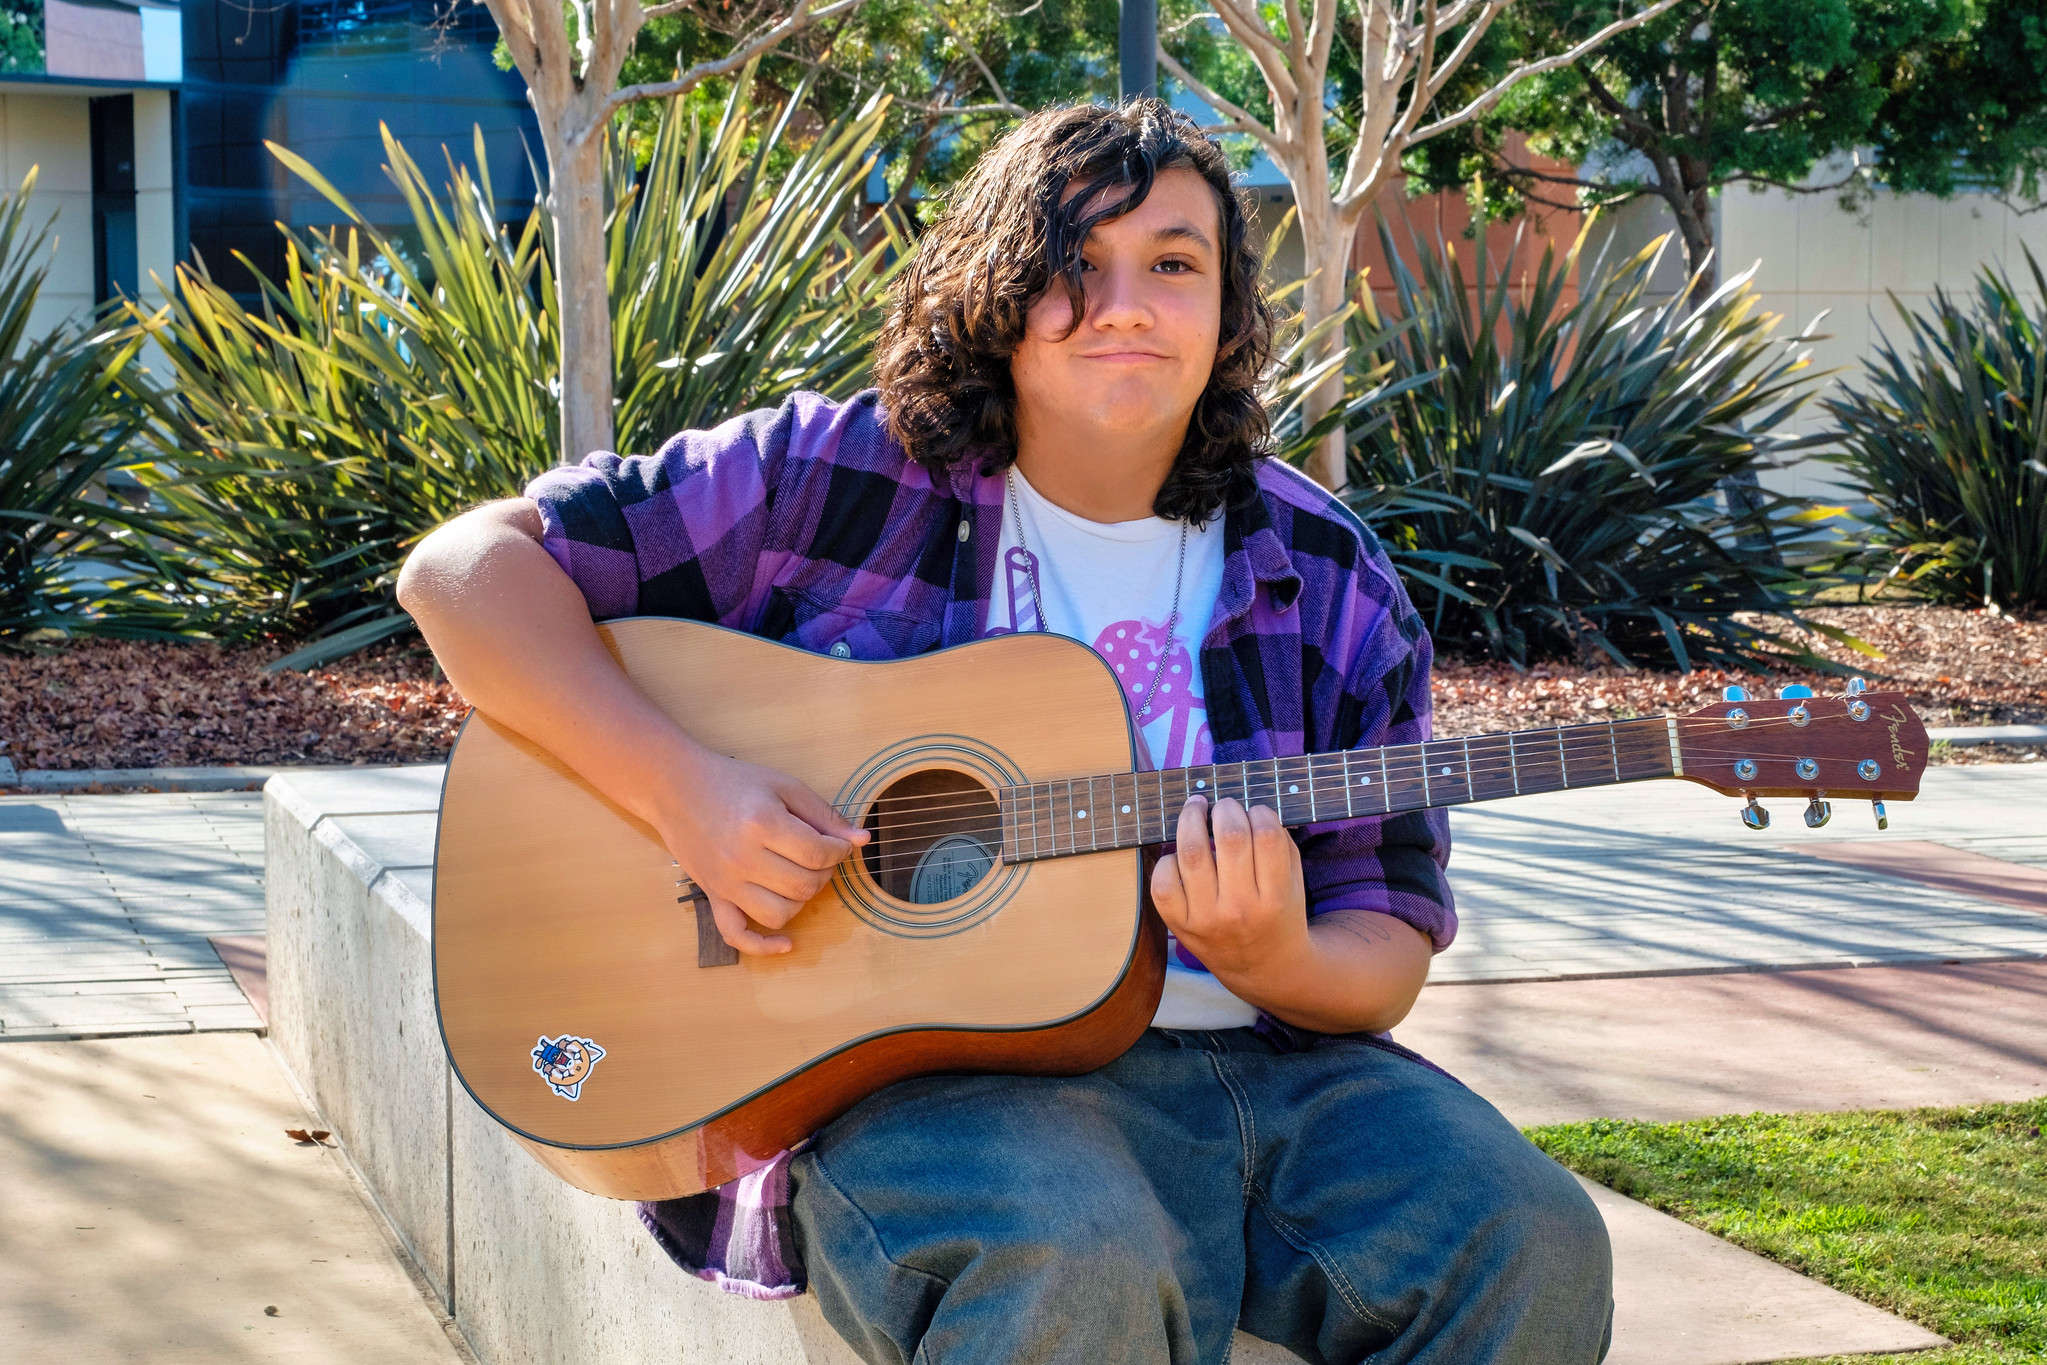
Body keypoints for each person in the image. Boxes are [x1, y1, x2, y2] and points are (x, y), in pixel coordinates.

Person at [398, 99, 1611, 1365]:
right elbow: (462, 573)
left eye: (1174, 264)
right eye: (1072, 265)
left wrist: (1275, 955)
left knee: (1528, 1235)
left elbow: (1384, 945)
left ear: (1229, 307)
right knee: (1072, 1257)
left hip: (1276, 1072)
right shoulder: (837, 475)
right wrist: (687, 793)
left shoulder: (1325, 571)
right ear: (992, 284)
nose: (1125, 304)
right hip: (933, 1089)